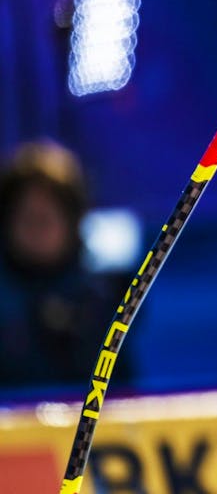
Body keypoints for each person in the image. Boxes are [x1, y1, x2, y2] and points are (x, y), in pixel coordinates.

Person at [0, 141, 126, 388]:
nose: (36, 229)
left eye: (46, 218)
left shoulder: (108, 298)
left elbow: (126, 397)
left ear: (73, 221)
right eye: (27, 217)